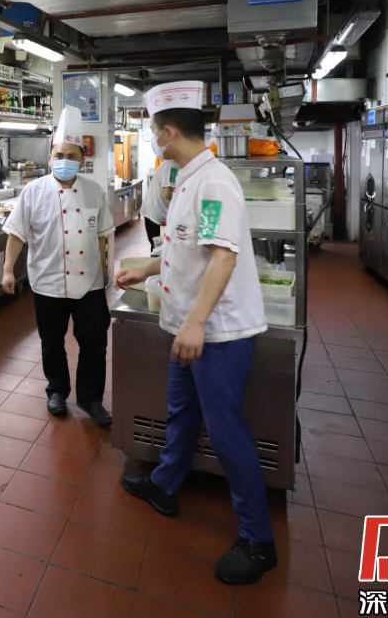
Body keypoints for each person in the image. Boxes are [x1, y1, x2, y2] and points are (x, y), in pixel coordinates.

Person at [113, 81, 276, 585]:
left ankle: (258, 540)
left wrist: (197, 322)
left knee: (226, 431)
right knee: (181, 410)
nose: (152, 139)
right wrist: (144, 268)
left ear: (169, 132)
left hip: (216, 333)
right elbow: (185, 247)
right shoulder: (187, 178)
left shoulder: (213, 184)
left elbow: (223, 256)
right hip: (187, 325)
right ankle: (165, 484)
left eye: (153, 131)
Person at [2, 107, 115, 424]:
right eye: (59, 155)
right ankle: (57, 391)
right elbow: (16, 234)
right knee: (52, 343)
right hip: (48, 282)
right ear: (50, 158)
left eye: (71, 156)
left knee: (94, 343)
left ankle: (91, 399)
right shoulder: (33, 192)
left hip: (90, 282)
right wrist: (8, 269)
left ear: (82, 159)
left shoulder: (94, 191)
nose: (65, 160)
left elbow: (104, 237)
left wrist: (107, 273)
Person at [141, 155, 178, 251]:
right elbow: (168, 194)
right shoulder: (172, 165)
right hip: (155, 216)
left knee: (162, 249)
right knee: (158, 250)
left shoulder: (176, 164)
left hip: (160, 213)